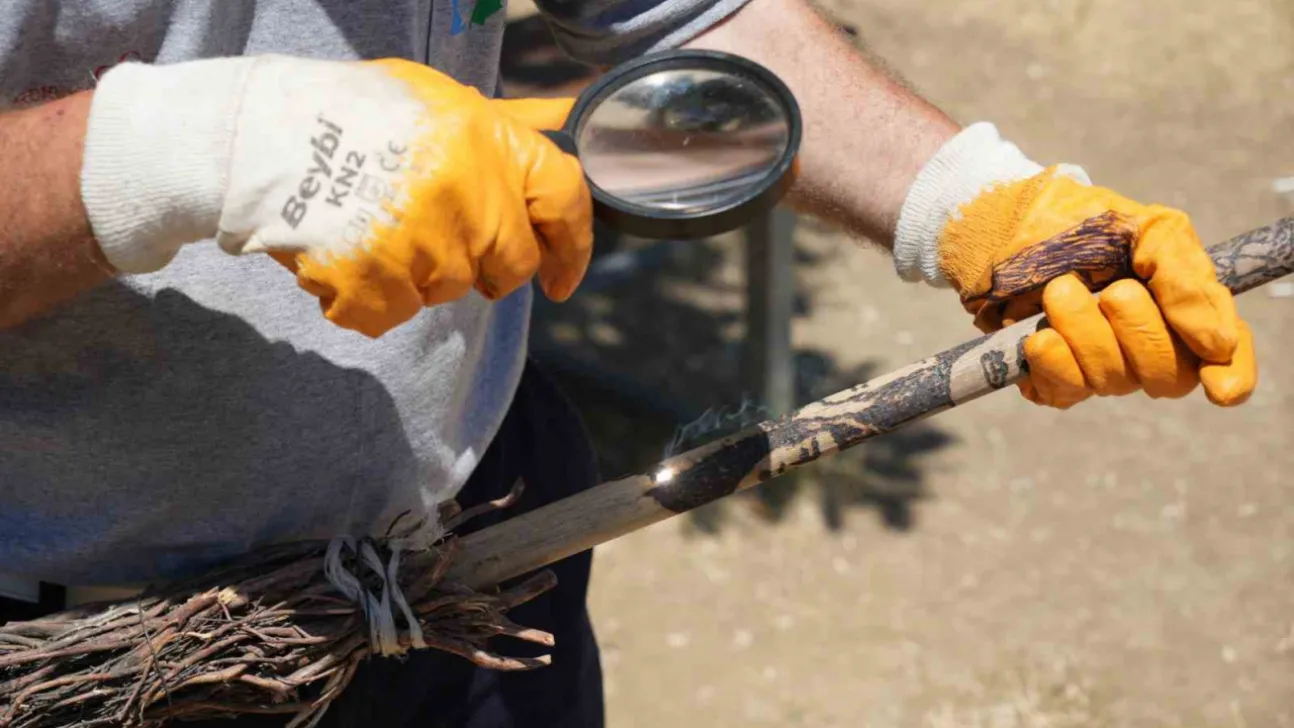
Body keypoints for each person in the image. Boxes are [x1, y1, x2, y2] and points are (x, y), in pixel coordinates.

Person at [0, 0, 1257, 726]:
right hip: (79, 655)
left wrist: (975, 201)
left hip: (471, 566)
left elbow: (692, 16)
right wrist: (178, 154)